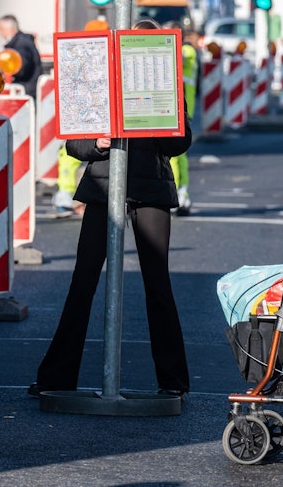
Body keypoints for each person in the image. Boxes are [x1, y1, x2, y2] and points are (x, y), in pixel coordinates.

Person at [30, 111, 193, 398]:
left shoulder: (161, 78)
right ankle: (56, 378)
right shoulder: (99, 81)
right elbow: (73, 145)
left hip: (149, 188)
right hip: (103, 189)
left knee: (158, 286)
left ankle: (173, 382)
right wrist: (97, 143)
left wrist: (158, 127)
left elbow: (180, 144)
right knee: (83, 283)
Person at [169, 21, 199, 214]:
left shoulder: (187, 51)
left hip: (182, 110)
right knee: (179, 156)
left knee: (176, 155)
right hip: (176, 110)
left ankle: (178, 192)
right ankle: (181, 192)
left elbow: (178, 56)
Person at [0, 14, 43, 99]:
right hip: (26, 90)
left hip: (26, 91)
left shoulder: (21, 45)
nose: (0, 34)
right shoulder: (21, 42)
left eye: (1, 29)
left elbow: (20, 69)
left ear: (9, 29)